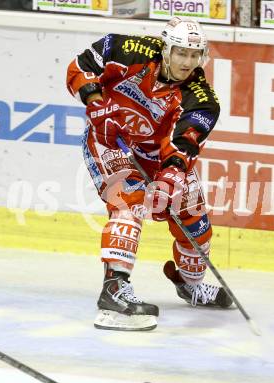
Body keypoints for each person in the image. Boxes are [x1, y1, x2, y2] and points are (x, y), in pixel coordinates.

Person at [66, 16, 232, 331]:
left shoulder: (203, 100)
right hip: (109, 140)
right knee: (131, 201)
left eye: (195, 55)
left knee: (194, 217)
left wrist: (170, 178)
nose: (188, 61)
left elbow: (183, 145)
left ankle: (189, 283)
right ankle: (114, 290)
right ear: (165, 48)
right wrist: (97, 104)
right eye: (181, 52)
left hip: (158, 157)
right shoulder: (128, 49)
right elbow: (81, 65)